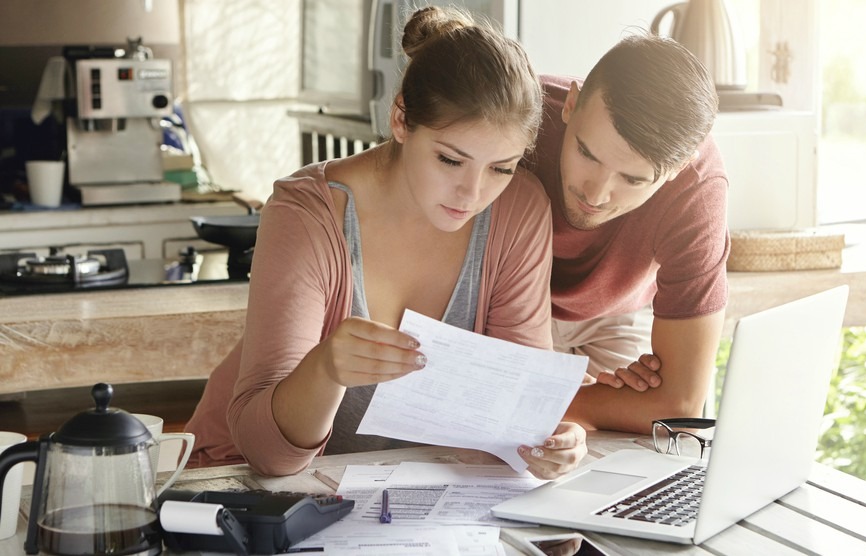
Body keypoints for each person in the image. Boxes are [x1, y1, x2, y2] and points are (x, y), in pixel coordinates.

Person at [185, 6, 587, 480]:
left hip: (400, 496)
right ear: (401, 120)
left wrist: (548, 442)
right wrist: (325, 370)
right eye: (450, 160)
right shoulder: (306, 214)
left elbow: (510, 416)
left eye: (500, 167)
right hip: (245, 487)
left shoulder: (519, 210)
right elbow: (268, 457)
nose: (473, 193)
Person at [527, 34, 730, 434]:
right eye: (587, 153)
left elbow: (680, 407)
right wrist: (581, 401)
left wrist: (544, 398)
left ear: (677, 170)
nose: (595, 194)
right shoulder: (516, 113)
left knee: (639, 456)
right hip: (504, 308)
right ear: (570, 104)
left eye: (632, 179)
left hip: (614, 316)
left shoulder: (698, 189)